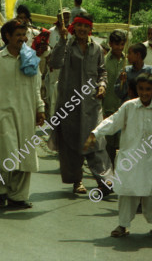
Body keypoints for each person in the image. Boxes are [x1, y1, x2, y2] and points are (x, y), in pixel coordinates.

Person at [84, 73, 152, 237]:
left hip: (151, 160)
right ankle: (122, 225)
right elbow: (113, 122)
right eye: (141, 89)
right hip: (130, 159)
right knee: (127, 193)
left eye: (148, 89)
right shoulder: (128, 107)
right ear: (136, 89)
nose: (144, 93)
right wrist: (95, 133)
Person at [0, 19, 45, 208]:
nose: (22, 38)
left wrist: (40, 108)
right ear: (7, 36)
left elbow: (36, 87)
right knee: (6, 154)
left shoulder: (31, 58)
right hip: (3, 115)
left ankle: (17, 196)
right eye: (17, 35)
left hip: (26, 114)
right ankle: (1, 190)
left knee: (24, 157)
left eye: (24, 35)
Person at [49, 14, 114, 195]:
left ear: (90, 29)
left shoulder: (97, 49)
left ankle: (106, 181)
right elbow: (54, 62)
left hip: (92, 104)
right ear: (74, 28)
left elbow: (102, 72)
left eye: (86, 27)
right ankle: (77, 181)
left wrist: (102, 86)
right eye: (79, 26)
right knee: (72, 144)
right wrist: (62, 41)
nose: (82, 30)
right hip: (69, 104)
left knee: (96, 141)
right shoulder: (67, 46)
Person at [103, 30, 127, 165]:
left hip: (124, 108)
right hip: (108, 107)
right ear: (111, 44)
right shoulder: (104, 61)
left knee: (123, 144)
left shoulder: (128, 60)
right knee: (109, 145)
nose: (119, 47)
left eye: (122, 44)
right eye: (116, 44)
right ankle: (108, 178)